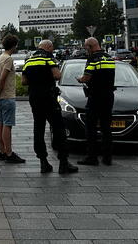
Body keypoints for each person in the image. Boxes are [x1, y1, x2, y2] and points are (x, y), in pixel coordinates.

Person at [22, 40, 77, 174]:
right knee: (58, 128)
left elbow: (24, 82)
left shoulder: (29, 60)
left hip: (35, 99)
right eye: (52, 48)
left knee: (38, 129)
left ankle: (43, 162)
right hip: (48, 98)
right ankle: (63, 163)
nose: (52, 50)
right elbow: (57, 75)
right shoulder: (48, 58)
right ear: (48, 47)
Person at [76, 37, 116, 166]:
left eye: (86, 47)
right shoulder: (109, 57)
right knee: (106, 127)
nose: (85, 50)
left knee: (91, 127)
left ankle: (92, 157)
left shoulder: (93, 59)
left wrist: (80, 79)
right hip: (109, 96)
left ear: (91, 46)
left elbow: (87, 77)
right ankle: (107, 157)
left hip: (96, 96)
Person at [0, 34, 25, 164]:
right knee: (8, 125)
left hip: (2, 97)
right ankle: (9, 153)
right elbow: (3, 79)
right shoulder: (8, 60)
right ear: (14, 45)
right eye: (16, 44)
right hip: (7, 96)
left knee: (0, 123)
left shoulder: (0, 58)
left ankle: (2, 151)